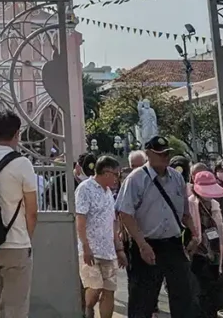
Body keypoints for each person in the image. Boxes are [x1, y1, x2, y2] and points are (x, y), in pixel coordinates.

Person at [115, 136, 197, 318]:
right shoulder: (136, 179)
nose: (165, 157)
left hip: (173, 244)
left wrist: (195, 234)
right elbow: (125, 214)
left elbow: (185, 212)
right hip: (146, 244)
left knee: (184, 295)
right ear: (148, 154)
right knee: (142, 299)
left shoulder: (176, 178)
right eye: (160, 154)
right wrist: (142, 244)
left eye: (167, 153)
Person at [0, 111, 39, 318]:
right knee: (15, 308)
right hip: (16, 244)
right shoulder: (22, 164)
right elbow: (32, 211)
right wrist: (26, 238)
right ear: (17, 134)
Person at [76, 155, 126, 318]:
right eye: (115, 174)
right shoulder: (85, 189)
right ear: (106, 173)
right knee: (95, 288)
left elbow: (112, 222)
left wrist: (119, 249)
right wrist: (85, 246)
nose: (117, 179)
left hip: (108, 251)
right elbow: (81, 220)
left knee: (109, 290)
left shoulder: (108, 193)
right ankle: (88, 308)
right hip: (91, 250)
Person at [189, 170, 223, 318]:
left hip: (216, 255)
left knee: (218, 295)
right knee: (201, 296)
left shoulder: (214, 204)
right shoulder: (190, 204)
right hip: (198, 255)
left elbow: (220, 227)